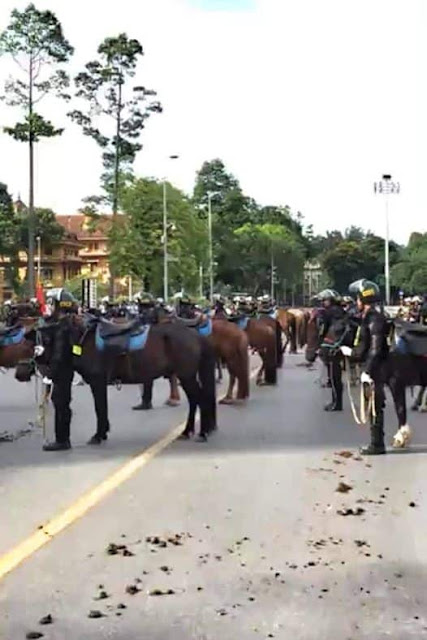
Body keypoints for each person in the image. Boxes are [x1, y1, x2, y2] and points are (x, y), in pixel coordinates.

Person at [340, 279, 389, 455]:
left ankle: (377, 444)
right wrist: (351, 354)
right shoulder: (368, 318)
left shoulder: (375, 319)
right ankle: (375, 442)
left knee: (375, 406)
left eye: (358, 299)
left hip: (376, 369)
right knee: (371, 405)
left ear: (363, 299)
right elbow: (363, 346)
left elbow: (375, 349)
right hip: (371, 367)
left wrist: (368, 371)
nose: (356, 302)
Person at [43, 289, 79, 452]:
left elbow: (59, 353)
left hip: (62, 371)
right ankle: (63, 438)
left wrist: (51, 372)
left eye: (52, 303)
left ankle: (62, 440)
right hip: (67, 370)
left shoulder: (62, 328)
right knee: (62, 403)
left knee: (60, 403)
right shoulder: (67, 324)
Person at [316, 289, 344, 411]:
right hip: (340, 343)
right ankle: (336, 402)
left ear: (330, 301)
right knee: (335, 375)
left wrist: (320, 342)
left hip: (332, 345)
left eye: (324, 301)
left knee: (334, 376)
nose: (322, 303)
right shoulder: (340, 311)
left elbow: (323, 329)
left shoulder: (327, 313)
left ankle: (337, 403)